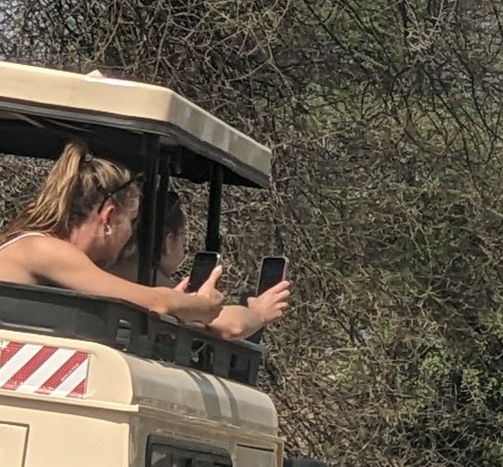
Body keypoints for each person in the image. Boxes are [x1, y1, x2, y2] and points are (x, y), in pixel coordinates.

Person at [0, 144, 225, 326]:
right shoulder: (46, 250)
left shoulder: (40, 247)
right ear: (109, 217)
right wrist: (203, 307)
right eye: (131, 221)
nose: (130, 233)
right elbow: (156, 302)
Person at [152, 188, 293, 341]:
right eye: (182, 240)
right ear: (169, 242)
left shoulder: (124, 286)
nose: (184, 250)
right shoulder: (163, 295)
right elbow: (233, 326)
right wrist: (258, 313)